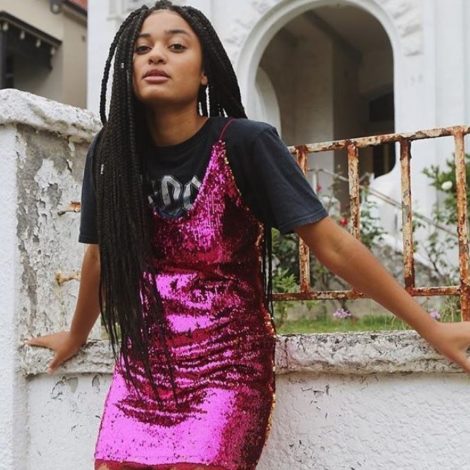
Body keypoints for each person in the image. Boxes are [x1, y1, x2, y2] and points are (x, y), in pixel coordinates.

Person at [25, 1, 470, 469]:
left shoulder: (245, 143)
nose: (156, 55)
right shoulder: (112, 154)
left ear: (205, 72)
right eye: (142, 48)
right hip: (144, 372)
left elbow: (333, 245)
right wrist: (77, 334)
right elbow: (100, 256)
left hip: (225, 369)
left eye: (176, 46)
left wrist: (431, 327)